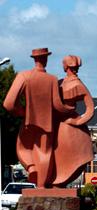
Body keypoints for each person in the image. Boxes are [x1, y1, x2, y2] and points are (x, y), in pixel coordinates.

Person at [3, 48, 72, 188]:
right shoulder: (52, 79)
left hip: (29, 121)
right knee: (45, 152)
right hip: (47, 124)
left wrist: (22, 112)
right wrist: (70, 109)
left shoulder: (24, 76)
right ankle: (41, 185)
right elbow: (58, 105)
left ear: (34, 59)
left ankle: (31, 167)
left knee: (22, 148)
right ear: (45, 59)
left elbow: (8, 104)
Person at [52, 55, 95, 187]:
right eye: (72, 67)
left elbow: (90, 109)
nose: (74, 70)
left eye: (74, 68)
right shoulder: (59, 83)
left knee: (68, 155)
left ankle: (60, 179)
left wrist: (77, 122)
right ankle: (53, 179)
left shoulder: (78, 85)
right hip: (55, 124)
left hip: (68, 125)